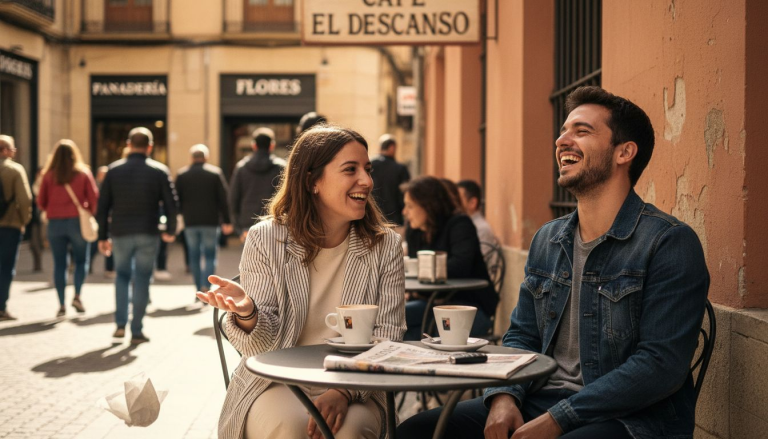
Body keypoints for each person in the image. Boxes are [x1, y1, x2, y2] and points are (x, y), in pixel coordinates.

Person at [397, 86, 710, 439]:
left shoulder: (668, 242)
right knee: (416, 430)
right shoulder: (549, 239)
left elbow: (659, 366)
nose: (562, 140)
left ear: (624, 152)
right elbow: (521, 334)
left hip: (631, 418)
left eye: (581, 131)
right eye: (563, 131)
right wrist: (503, 397)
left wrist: (559, 419)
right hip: (540, 398)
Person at [197, 125, 406, 439]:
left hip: (359, 384)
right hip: (277, 380)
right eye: (351, 170)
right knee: (293, 430)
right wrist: (248, 313)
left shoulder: (385, 244)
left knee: (348, 433)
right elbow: (259, 350)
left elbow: (389, 336)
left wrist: (344, 390)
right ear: (312, 181)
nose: (367, 180)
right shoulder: (266, 238)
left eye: (367, 169)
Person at [96, 127, 178, 344]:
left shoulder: (113, 170)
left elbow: (102, 206)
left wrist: (102, 236)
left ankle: (120, 325)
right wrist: (170, 230)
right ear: (149, 147)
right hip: (147, 232)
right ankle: (137, 330)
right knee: (142, 279)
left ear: (128, 144)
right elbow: (171, 204)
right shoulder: (159, 171)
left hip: (121, 232)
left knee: (121, 277)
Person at [401, 176, 496, 341]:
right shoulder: (415, 231)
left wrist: (425, 270)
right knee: (393, 320)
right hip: (429, 304)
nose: (404, 212)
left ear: (428, 206)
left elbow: (460, 266)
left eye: (410, 206)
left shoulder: (459, 224)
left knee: (441, 333)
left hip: (468, 305)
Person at [37, 140, 99, 317]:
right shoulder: (83, 173)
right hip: (77, 222)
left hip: (55, 223)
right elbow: (94, 197)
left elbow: (41, 202)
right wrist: (88, 212)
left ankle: (62, 304)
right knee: (81, 261)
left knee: (59, 264)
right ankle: (77, 295)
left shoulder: (48, 175)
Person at [175, 144, 233, 294]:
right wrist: (227, 221)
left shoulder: (182, 175)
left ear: (191, 158)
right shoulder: (214, 173)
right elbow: (223, 199)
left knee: (193, 255)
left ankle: (197, 287)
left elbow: (176, 200)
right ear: (206, 157)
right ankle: (206, 286)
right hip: (210, 221)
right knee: (210, 255)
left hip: (190, 222)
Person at [230, 127, 286, 242]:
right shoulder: (281, 167)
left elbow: (233, 198)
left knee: (250, 259)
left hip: (248, 223)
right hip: (274, 221)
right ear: (272, 145)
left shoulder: (241, 168)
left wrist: (238, 228)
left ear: (254, 145)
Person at [0, 135, 32, 321]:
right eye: (12, 149)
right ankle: (1, 307)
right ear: (5, 150)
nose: (13, 153)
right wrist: (24, 221)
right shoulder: (14, 170)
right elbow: (25, 199)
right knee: (6, 267)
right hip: (10, 225)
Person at [457, 179, 501, 273]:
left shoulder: (481, 228)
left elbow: (477, 265)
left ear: (472, 203)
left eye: (459, 199)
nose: (455, 203)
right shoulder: (464, 225)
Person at [371, 134, 410, 225]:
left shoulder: (369, 165)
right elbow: (405, 195)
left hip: (372, 219)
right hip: (394, 220)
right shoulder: (400, 168)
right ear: (392, 147)